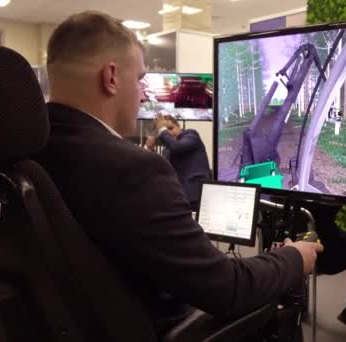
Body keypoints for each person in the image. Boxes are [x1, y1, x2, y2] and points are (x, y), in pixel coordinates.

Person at [34, 11, 323, 337]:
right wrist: (293, 259)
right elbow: (228, 289)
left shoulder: (27, 154)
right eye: (140, 79)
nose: (143, 94)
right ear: (111, 77)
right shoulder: (132, 170)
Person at [154, 114, 211, 210]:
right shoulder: (167, 149)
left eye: (171, 128)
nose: (170, 133)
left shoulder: (191, 135)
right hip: (178, 198)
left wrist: (162, 130)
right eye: (166, 130)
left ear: (178, 126)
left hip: (196, 197)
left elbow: (177, 147)